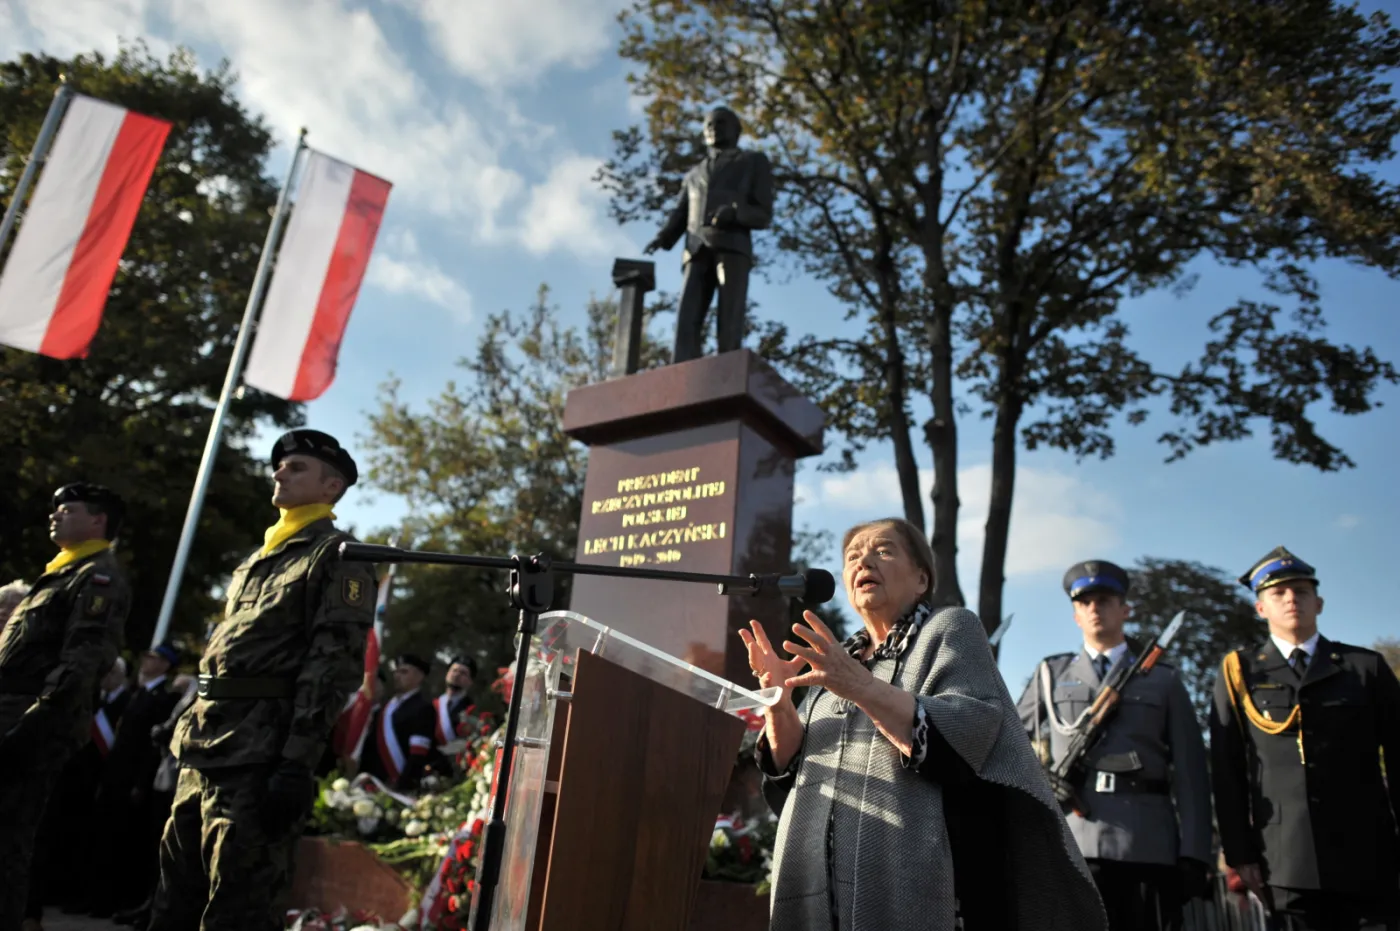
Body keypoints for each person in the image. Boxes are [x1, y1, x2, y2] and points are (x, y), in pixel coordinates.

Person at [742, 517, 1107, 931]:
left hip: (925, 880)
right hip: (819, 883)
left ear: (921, 579)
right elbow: (793, 770)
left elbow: (968, 735)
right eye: (852, 557)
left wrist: (861, 686)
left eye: (883, 550)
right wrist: (777, 700)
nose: (864, 560)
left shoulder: (950, 628)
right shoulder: (838, 660)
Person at [148, 430, 376, 931]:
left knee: (238, 909)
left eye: (296, 467)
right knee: (173, 900)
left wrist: (295, 764)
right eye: (281, 465)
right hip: (205, 750)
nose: (280, 472)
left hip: (258, 757)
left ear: (332, 486)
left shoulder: (339, 557)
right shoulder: (258, 558)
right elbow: (224, 657)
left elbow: (332, 667)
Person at [1210, 547, 1400, 931]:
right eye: (1278, 594)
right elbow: (1226, 770)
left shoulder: (1364, 667)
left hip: (1368, 855)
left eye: (1300, 590)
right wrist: (1239, 853)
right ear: (1260, 609)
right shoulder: (1238, 672)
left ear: (1320, 603)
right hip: (1284, 860)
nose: (1291, 599)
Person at [1017, 560, 1212, 931]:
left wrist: (1195, 853)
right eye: (1085, 602)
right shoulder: (1051, 674)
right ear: (1075, 614)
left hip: (1147, 842)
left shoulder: (1163, 680)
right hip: (1074, 840)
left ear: (1125, 609)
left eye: (1105, 599)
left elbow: (1191, 773)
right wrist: (1040, 780)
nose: (1095, 608)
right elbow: (1008, 738)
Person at [0, 483, 131, 931]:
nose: (54, 514)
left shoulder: (97, 577)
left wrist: (32, 726)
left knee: (8, 845)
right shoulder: (60, 572)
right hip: (13, 715)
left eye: (67, 509)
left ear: (98, 521)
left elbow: (82, 662)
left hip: (27, 726)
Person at [643, 105, 774, 362]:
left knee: (730, 315)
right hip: (695, 249)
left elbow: (764, 213)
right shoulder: (693, 175)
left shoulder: (752, 162)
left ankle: (728, 368)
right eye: (709, 125)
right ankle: (681, 373)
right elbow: (681, 214)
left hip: (732, 246)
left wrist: (736, 213)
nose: (714, 128)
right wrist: (664, 237)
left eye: (721, 123)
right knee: (686, 315)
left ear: (736, 130)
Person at [92, 643, 181, 916]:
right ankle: (97, 898)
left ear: (166, 664)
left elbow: (150, 747)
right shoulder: (139, 694)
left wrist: (141, 783)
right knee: (104, 839)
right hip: (116, 776)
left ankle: (117, 901)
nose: (146, 660)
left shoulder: (163, 698)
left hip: (135, 780)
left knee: (125, 842)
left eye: (153, 657)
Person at [359, 653, 436, 792]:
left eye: (404, 672)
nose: (397, 676)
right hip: (374, 783)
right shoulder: (386, 708)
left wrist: (401, 787)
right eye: (396, 672)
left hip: (399, 787)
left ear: (419, 677)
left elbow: (417, 755)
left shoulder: (423, 708)